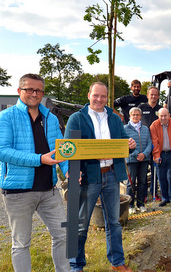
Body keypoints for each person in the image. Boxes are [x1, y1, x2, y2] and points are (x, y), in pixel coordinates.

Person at [0, 73, 70, 272]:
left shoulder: (50, 118)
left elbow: (61, 150)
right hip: (18, 192)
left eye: (39, 90)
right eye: (29, 89)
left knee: (63, 234)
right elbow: (2, 151)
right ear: (19, 91)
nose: (34, 94)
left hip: (49, 190)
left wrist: (68, 172)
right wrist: (39, 159)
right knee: (21, 243)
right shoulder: (6, 117)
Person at [65, 82, 136, 272]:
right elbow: (69, 149)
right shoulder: (77, 119)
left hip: (111, 175)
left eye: (103, 96)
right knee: (79, 225)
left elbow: (123, 140)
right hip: (88, 177)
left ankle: (117, 262)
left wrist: (130, 143)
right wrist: (79, 165)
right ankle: (75, 266)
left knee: (114, 223)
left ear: (107, 98)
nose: (99, 99)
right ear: (89, 95)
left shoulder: (114, 118)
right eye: (96, 95)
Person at [150, 108, 171, 207]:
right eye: (161, 116)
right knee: (161, 176)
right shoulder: (154, 125)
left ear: (169, 115)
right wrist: (156, 155)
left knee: (170, 176)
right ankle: (165, 198)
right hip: (160, 153)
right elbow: (154, 142)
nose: (163, 118)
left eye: (165, 115)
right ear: (158, 116)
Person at [124, 107, 152, 214]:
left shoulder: (145, 128)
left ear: (140, 116)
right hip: (132, 160)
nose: (135, 116)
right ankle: (130, 205)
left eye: (137, 115)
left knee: (142, 182)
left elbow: (149, 143)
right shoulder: (125, 128)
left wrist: (144, 154)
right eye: (133, 115)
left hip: (144, 160)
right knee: (130, 183)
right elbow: (125, 144)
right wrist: (136, 154)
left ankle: (141, 204)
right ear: (130, 116)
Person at [139, 86, 163, 201]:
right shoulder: (141, 107)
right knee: (143, 172)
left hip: (156, 143)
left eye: (155, 95)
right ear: (147, 95)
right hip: (143, 143)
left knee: (155, 170)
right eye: (151, 94)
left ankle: (154, 192)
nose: (153, 96)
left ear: (158, 97)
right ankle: (142, 195)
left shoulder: (161, 109)